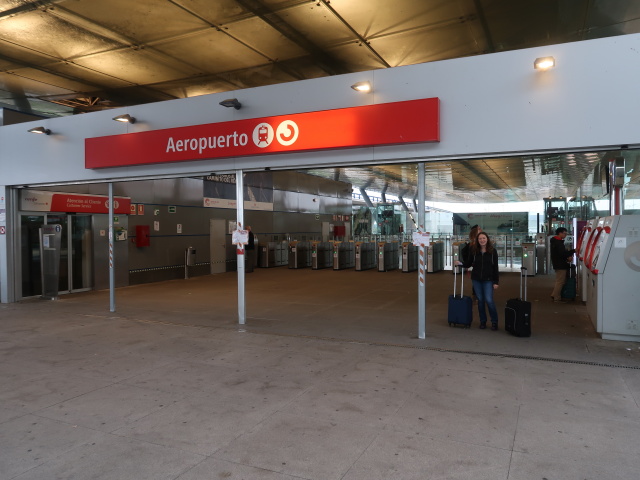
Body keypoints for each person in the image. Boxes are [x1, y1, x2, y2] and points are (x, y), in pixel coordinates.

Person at [457, 231, 500, 330]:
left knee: (489, 300)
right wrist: (460, 263)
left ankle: (494, 321)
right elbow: (468, 263)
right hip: (476, 279)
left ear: (487, 239)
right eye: (480, 239)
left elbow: (495, 267)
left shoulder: (493, 251)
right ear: (477, 240)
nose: (482, 240)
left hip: (488, 280)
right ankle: (483, 321)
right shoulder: (474, 251)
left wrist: (496, 282)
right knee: (480, 301)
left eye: (484, 238)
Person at [550, 227, 575, 302]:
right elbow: (562, 254)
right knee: (560, 281)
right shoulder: (558, 242)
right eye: (564, 233)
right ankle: (556, 297)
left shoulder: (555, 241)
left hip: (558, 263)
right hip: (560, 264)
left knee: (560, 280)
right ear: (560, 233)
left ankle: (554, 294)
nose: (566, 235)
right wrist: (572, 251)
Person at [461, 225, 481, 302]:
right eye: (479, 230)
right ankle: (476, 296)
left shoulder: (483, 244)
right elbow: (469, 260)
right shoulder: (472, 246)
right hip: (476, 269)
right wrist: (463, 263)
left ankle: (477, 296)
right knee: (477, 282)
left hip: (484, 271)